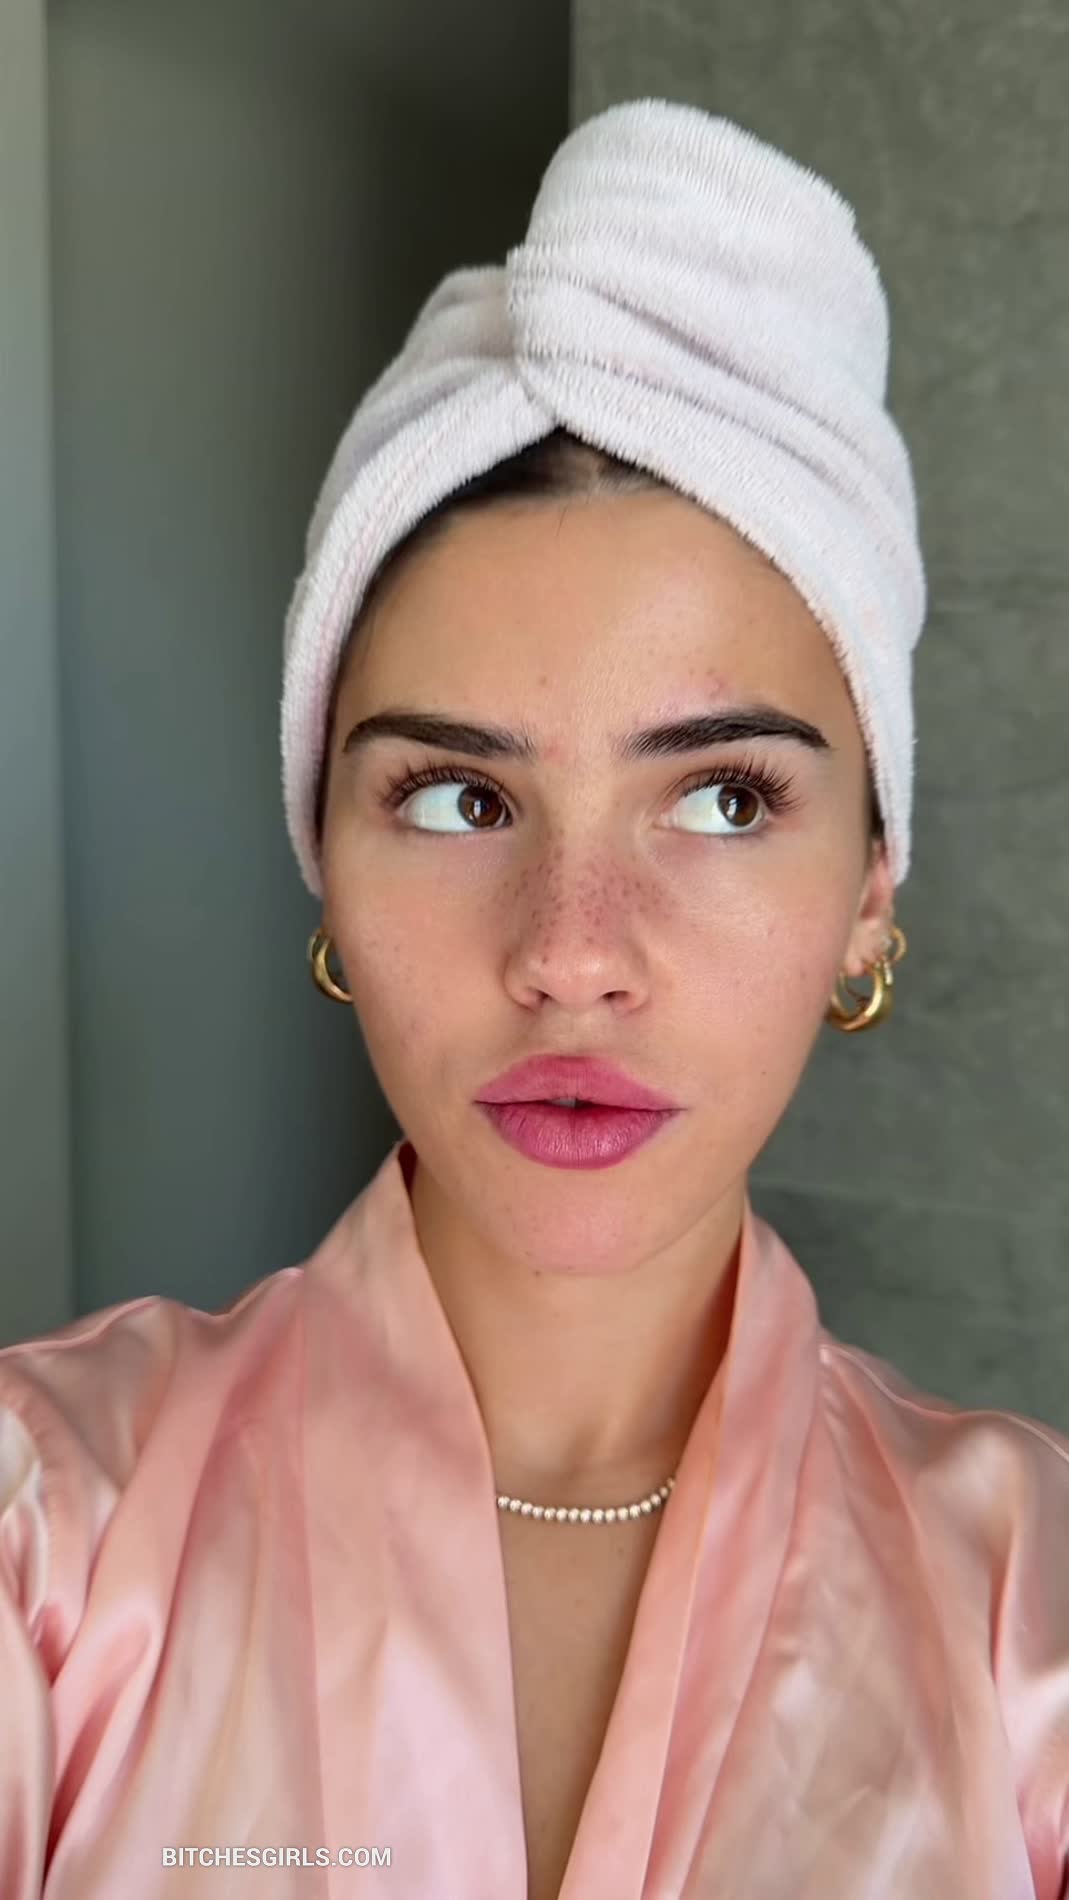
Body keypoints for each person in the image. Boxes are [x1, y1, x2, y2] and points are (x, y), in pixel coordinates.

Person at [2, 97, 1067, 1900]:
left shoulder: (1028, 1622)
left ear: (868, 893)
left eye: (721, 799)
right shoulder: (42, 1536)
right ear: (324, 861)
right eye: (455, 799)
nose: (571, 951)